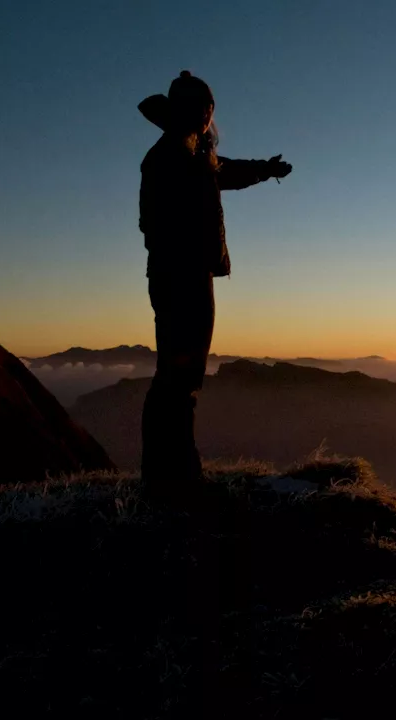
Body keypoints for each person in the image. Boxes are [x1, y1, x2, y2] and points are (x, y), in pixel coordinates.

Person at [137, 71, 292, 490]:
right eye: (205, 109)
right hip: (181, 279)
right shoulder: (171, 156)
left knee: (179, 377)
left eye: (211, 110)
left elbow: (226, 172)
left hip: (185, 276)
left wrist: (265, 169)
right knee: (179, 378)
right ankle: (174, 477)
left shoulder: (189, 153)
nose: (209, 118)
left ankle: (168, 473)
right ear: (191, 110)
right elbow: (152, 223)